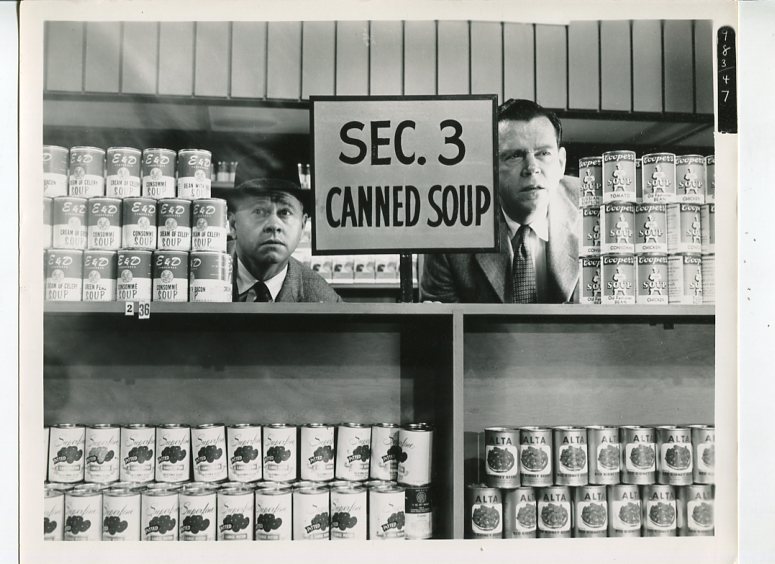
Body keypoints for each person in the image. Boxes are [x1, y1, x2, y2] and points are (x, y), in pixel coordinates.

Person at [421, 99, 580, 303]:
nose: (532, 168)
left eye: (543, 153)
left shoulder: (596, 209)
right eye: (515, 155)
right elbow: (443, 321)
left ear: (561, 163)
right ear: (489, 167)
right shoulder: (451, 230)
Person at [228, 158, 341, 303]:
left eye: (285, 212)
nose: (274, 225)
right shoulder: (202, 271)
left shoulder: (322, 299)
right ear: (233, 224)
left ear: (302, 225)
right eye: (259, 211)